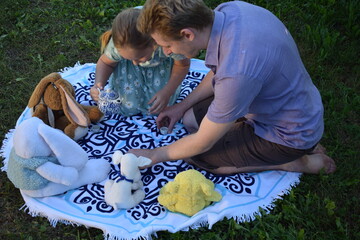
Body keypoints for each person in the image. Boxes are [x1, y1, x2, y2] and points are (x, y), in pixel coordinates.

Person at [129, 0, 336, 175]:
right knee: (189, 119)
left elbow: (203, 142)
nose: (166, 52)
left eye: (167, 45)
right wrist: (182, 106)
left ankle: (292, 161)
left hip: (288, 134)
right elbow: (223, 69)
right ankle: (287, 145)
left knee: (196, 156)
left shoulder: (237, 72)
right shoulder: (231, 10)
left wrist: (155, 155)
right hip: (285, 102)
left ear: (187, 34)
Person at [90, 8, 190, 116]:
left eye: (140, 57)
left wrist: (167, 91)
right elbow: (105, 63)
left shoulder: (168, 43)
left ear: (154, 42)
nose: (135, 63)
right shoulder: (120, 44)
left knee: (158, 105)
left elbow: (182, 65)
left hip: (160, 73)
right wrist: (98, 84)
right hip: (129, 73)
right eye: (129, 58)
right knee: (128, 106)